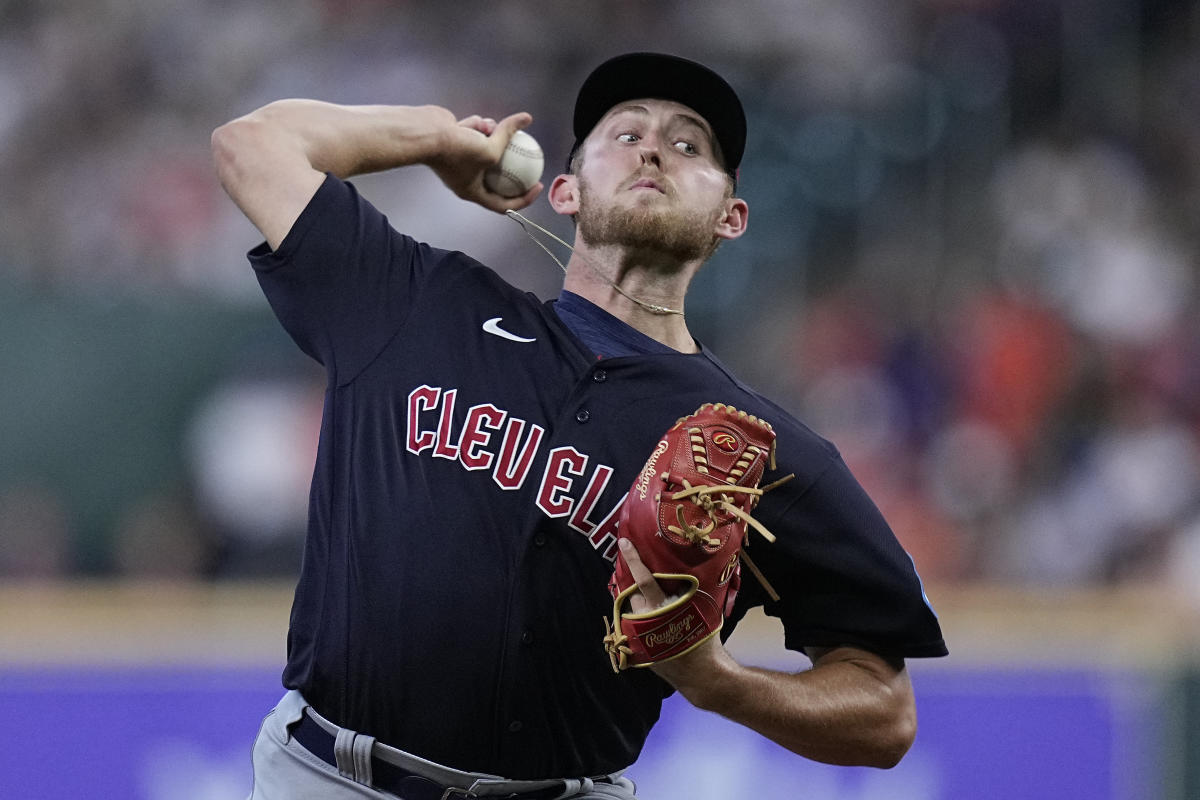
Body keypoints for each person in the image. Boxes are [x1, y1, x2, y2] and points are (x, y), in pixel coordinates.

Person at [212, 52, 947, 800]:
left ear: (731, 217)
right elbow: (253, 145)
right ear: (563, 190)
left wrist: (720, 684)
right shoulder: (417, 305)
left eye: (690, 146)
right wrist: (436, 137)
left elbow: (885, 714)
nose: (656, 148)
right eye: (624, 134)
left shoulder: (755, 447)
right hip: (330, 778)